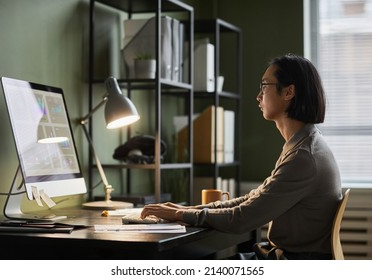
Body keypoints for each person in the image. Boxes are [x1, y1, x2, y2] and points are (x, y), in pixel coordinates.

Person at [141, 53, 342, 260]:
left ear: (289, 92)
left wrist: (181, 214)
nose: (258, 96)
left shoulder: (304, 156)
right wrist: (190, 209)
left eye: (264, 86)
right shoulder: (304, 143)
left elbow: (243, 218)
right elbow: (253, 198)